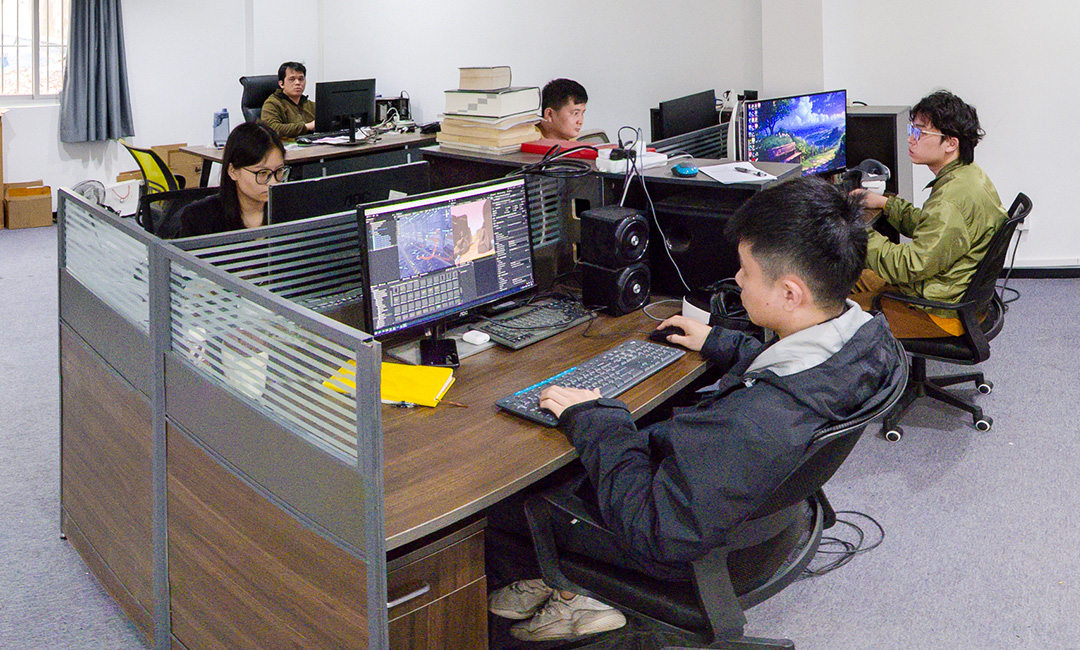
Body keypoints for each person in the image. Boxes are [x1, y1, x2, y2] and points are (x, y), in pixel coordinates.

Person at [486, 176, 906, 642]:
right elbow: (789, 372)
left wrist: (599, 420)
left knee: (514, 498)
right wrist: (722, 342)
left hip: (680, 545)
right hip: (757, 520)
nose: (738, 280)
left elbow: (653, 530)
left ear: (790, 294)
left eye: (746, 271)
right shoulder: (864, 343)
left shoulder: (751, 422)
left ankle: (572, 594)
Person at [851, 90, 1007, 338]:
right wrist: (886, 204)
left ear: (951, 143)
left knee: (831, 313)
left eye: (920, 133)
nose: (910, 139)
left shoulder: (950, 200)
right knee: (855, 276)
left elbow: (911, 266)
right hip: (952, 294)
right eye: (911, 130)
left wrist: (859, 233)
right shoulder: (969, 175)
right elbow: (934, 229)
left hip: (939, 313)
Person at [176, 122, 287, 238]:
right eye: (262, 173)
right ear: (233, 171)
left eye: (279, 171)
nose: (273, 182)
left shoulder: (290, 210)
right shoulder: (199, 218)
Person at [260, 61, 316, 138]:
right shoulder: (272, 103)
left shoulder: (312, 105)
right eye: (292, 79)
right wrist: (306, 127)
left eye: (301, 79)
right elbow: (272, 129)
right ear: (281, 84)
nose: (297, 83)